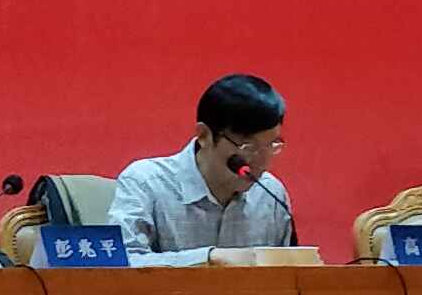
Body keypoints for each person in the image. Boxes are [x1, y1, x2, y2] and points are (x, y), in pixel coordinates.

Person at [107, 73, 298, 265]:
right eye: (247, 146)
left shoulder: (271, 194)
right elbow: (122, 262)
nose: (262, 161)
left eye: (272, 144)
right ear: (204, 135)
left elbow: (288, 272)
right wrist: (208, 258)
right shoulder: (145, 183)